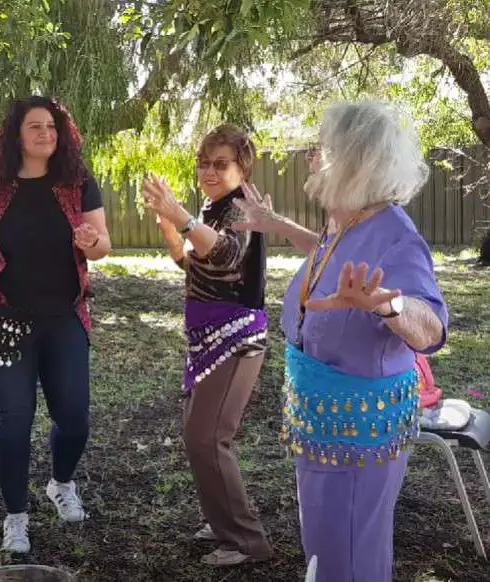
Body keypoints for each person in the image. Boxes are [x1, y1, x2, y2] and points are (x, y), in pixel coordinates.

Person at [239, 101, 449, 582]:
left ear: (357, 161)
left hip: (357, 439)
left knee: (348, 557)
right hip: (324, 430)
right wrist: (278, 226)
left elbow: (431, 327)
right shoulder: (348, 223)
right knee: (329, 550)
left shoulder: (395, 235)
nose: (313, 158)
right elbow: (329, 253)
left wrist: (387, 306)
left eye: (324, 149)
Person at [0, 96, 112, 554]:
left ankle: (61, 483)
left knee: (74, 419)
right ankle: (16, 517)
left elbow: (103, 244)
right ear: (17, 135)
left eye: (51, 126)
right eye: (35, 126)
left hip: (64, 316)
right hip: (5, 319)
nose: (46, 134)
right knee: (13, 420)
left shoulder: (78, 183)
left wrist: (91, 242)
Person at [142, 124, 271, 567]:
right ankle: (222, 524)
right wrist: (169, 224)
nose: (209, 172)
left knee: (207, 438)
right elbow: (193, 262)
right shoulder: (212, 208)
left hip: (235, 339)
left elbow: (227, 254)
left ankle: (247, 541)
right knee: (201, 436)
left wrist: (182, 217)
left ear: (242, 167)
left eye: (220, 164)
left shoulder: (241, 209)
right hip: (208, 338)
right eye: (204, 163)